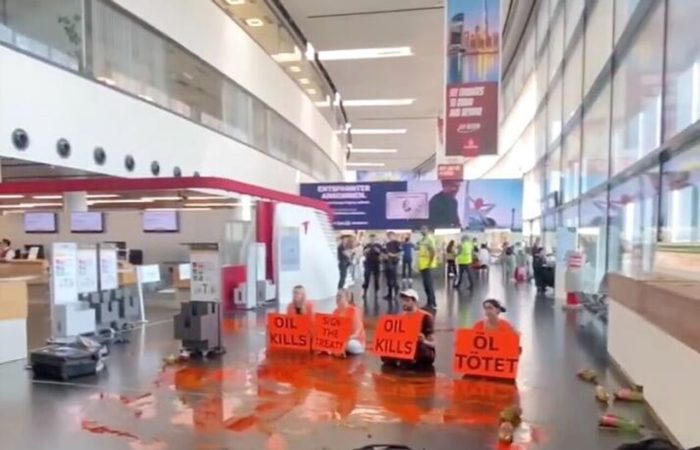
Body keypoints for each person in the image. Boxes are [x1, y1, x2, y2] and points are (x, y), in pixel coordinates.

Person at [381, 289, 435, 369]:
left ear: (414, 302)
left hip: (420, 348)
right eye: (403, 301)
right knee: (385, 354)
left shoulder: (426, 317)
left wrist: (424, 341)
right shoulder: (401, 317)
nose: (404, 303)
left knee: (423, 351)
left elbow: (433, 343)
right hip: (405, 348)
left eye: (407, 301)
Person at [333, 289, 365, 355]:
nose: (337, 298)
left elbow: (357, 333)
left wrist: (344, 339)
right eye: (336, 296)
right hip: (342, 340)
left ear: (346, 298)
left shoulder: (353, 311)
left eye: (340, 296)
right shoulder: (335, 312)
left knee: (349, 344)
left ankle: (341, 349)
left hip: (356, 341)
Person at [416, 226, 437, 309]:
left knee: (429, 284)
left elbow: (432, 251)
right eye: (421, 229)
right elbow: (421, 248)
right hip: (423, 264)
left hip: (427, 264)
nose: (422, 231)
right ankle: (430, 302)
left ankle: (431, 303)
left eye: (424, 229)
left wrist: (430, 262)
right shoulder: (423, 239)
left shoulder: (429, 239)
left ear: (427, 230)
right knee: (426, 284)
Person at [362, 234, 383, 298]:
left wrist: (377, 250)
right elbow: (364, 253)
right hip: (368, 263)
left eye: (373, 239)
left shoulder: (378, 245)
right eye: (371, 239)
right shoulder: (367, 245)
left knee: (376, 278)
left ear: (375, 239)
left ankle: (376, 293)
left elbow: (381, 253)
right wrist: (366, 250)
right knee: (366, 277)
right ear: (369, 239)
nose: (372, 240)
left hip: (376, 263)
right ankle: (365, 292)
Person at [383, 231, 401, 300]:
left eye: (390, 236)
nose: (389, 237)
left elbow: (400, 252)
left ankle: (396, 291)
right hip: (387, 262)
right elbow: (384, 252)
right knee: (388, 279)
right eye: (388, 236)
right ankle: (389, 294)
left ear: (393, 236)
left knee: (394, 278)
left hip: (394, 263)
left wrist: (393, 255)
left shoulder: (397, 243)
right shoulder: (387, 244)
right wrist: (384, 256)